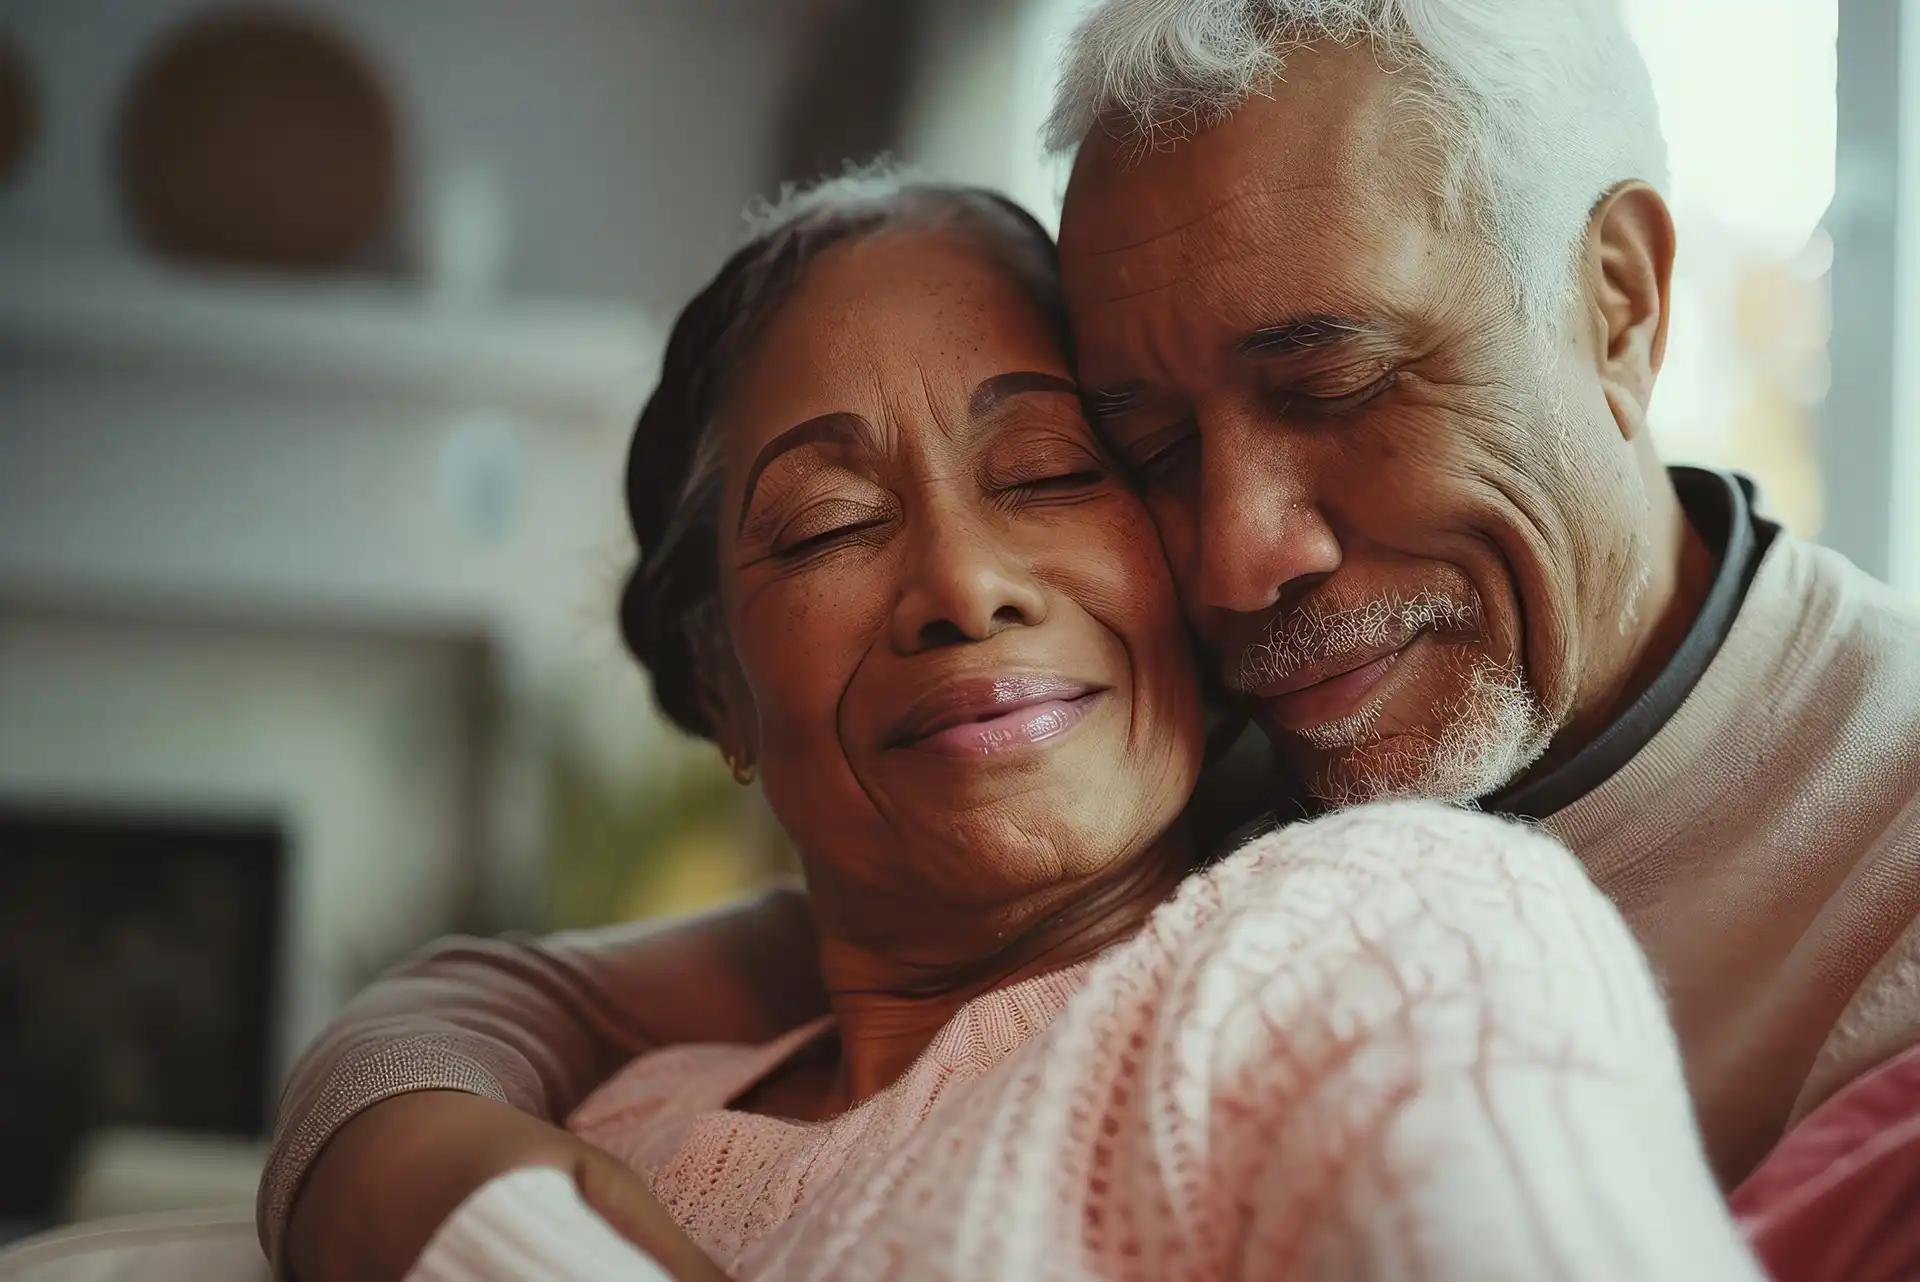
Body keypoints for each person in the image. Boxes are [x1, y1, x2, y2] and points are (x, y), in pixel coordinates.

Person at [262, 0, 1920, 1275]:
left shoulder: (1861, 852)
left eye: (1332, 379)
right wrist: (416, 1168)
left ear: (1619, 298)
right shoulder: (1256, 735)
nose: (1235, 555)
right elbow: (516, 997)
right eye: (1142, 449)